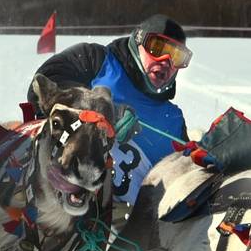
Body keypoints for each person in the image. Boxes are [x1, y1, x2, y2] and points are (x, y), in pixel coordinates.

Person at [27, 13, 193, 211]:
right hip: (57, 192)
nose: (166, 61)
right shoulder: (96, 60)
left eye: (177, 56)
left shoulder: (173, 120)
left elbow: (184, 177)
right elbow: (43, 85)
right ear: (138, 41)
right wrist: (107, 111)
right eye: (157, 48)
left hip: (126, 223)